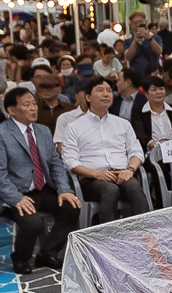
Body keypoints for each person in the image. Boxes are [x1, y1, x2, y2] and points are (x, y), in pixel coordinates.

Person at [0, 84, 82, 273]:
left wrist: (64, 190)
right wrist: (16, 199)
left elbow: (56, 164)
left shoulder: (43, 130)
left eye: (33, 103)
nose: (33, 108)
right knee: (33, 222)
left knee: (72, 207)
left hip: (41, 189)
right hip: (13, 192)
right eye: (27, 105)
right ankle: (20, 258)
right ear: (12, 110)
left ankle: (47, 253)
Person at [58, 73, 151, 221]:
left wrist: (130, 170)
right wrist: (96, 174)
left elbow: (137, 152)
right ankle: (109, 238)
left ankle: (145, 233)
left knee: (134, 187)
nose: (106, 94)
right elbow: (70, 161)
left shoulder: (123, 124)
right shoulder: (74, 127)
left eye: (109, 90)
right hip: (91, 179)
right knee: (109, 189)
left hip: (122, 173)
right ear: (88, 97)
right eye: (100, 90)